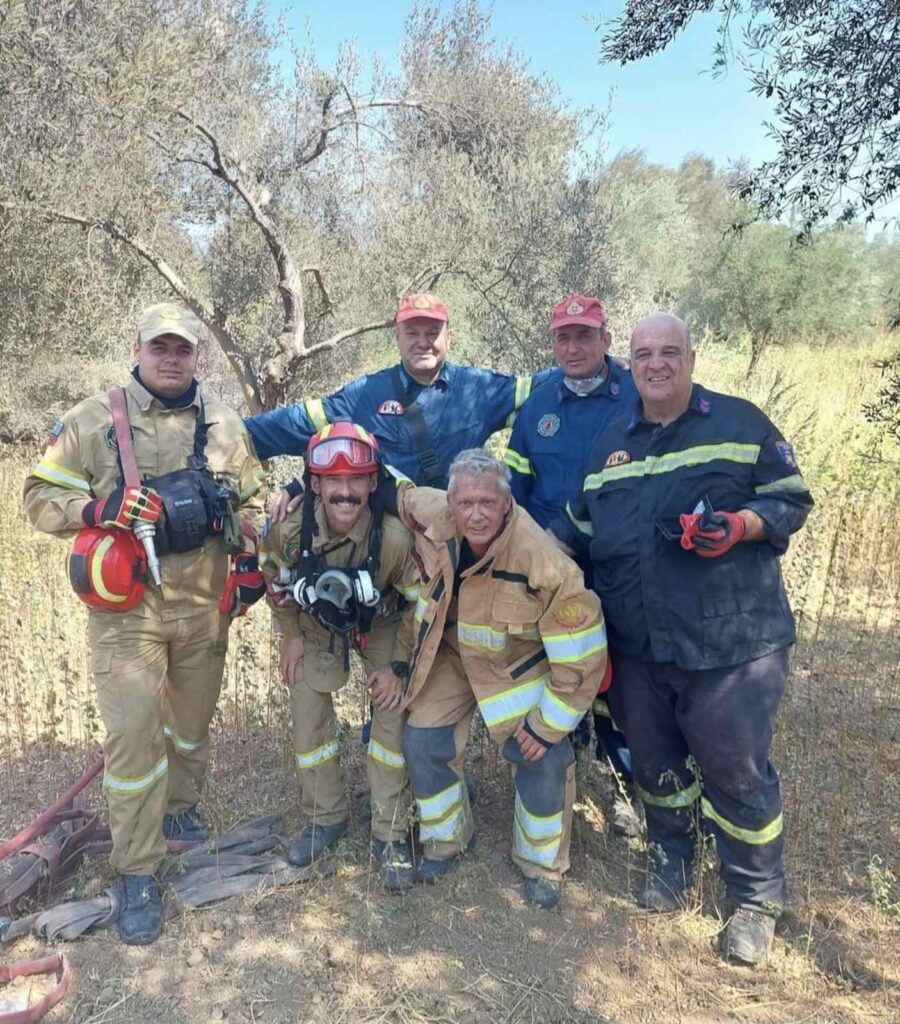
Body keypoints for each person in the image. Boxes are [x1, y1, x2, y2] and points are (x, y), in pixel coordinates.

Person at [551, 312, 813, 965]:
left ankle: (754, 900)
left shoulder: (739, 422)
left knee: (736, 774)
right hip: (639, 648)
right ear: (629, 364)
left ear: (691, 358)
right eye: (645, 354)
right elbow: (572, 533)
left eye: (670, 352)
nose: (657, 363)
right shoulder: (611, 443)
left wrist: (744, 524)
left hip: (730, 646)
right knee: (658, 769)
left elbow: (791, 498)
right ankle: (673, 859)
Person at [23, 302, 266, 946]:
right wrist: (98, 506)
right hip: (126, 612)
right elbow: (36, 498)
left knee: (190, 727)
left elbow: (258, 504)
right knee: (133, 738)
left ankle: (181, 810)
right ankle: (136, 870)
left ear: (196, 357)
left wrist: (246, 549)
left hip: (204, 602)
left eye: (181, 349)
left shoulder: (224, 427)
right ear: (138, 348)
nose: (170, 358)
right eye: (159, 347)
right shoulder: (92, 420)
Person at [372, 449, 608, 909]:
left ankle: (540, 867)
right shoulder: (435, 511)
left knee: (542, 755)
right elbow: (389, 487)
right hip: (453, 656)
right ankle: (447, 840)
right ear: (451, 501)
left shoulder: (542, 560)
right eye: (465, 503)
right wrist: (302, 486)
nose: (475, 514)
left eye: (486, 503)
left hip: (514, 667)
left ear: (505, 503)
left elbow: (580, 655)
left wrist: (547, 723)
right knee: (423, 741)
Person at [259, 422, 421, 890]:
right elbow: (272, 573)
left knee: (392, 721)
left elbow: (419, 601)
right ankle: (324, 818)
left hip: (384, 621)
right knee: (308, 715)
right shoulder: (291, 530)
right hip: (314, 624)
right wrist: (290, 633)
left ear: (373, 483)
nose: (345, 493)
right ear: (315, 484)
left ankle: (389, 835)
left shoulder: (393, 539)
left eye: (356, 481)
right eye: (334, 482)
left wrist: (399, 666)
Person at [503, 295, 639, 834]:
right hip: (552, 569)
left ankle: (629, 788)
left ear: (607, 341)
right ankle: (566, 775)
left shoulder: (636, 395)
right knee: (562, 668)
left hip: (621, 564)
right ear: (554, 345)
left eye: (585, 336)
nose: (574, 347)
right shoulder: (538, 405)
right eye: (564, 337)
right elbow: (515, 488)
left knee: (622, 680)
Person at [244, 293, 551, 490]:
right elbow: (299, 421)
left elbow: (540, 387)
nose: (423, 342)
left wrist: (595, 370)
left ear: (449, 338)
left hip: (457, 538)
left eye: (433, 333)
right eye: (412, 333)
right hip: (391, 544)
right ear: (397, 338)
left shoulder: (478, 388)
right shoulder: (366, 393)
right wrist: (229, 434)